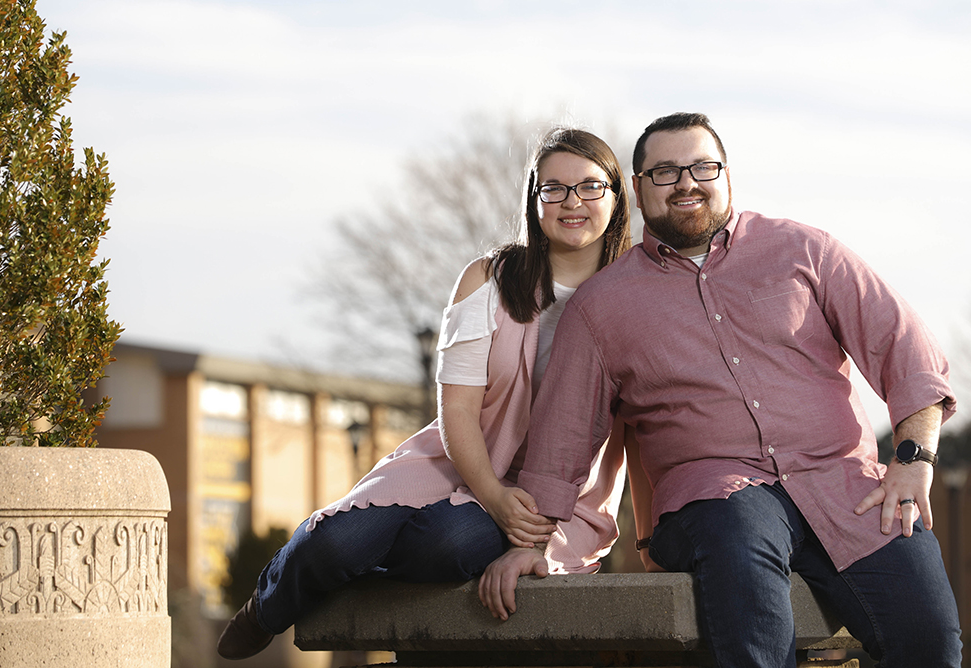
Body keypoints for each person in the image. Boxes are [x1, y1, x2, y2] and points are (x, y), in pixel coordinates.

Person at [480, 112, 962, 667]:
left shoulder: (806, 251)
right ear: (636, 190)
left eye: (702, 166)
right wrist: (527, 547)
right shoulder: (600, 306)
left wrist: (913, 459)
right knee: (742, 563)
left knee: (929, 637)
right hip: (716, 497)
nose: (686, 182)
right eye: (664, 172)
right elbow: (562, 436)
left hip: (849, 488)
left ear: (727, 175)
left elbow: (906, 350)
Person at [217, 127, 634, 660]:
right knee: (335, 542)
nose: (572, 202)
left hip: (560, 499)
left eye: (591, 186)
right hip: (459, 461)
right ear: (534, 201)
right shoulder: (490, 280)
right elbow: (456, 408)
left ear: (616, 196)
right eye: (553, 188)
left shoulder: (634, 298)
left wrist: (647, 544)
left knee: (448, 543)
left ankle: (378, 607)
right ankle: (267, 603)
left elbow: (645, 434)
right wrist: (492, 492)